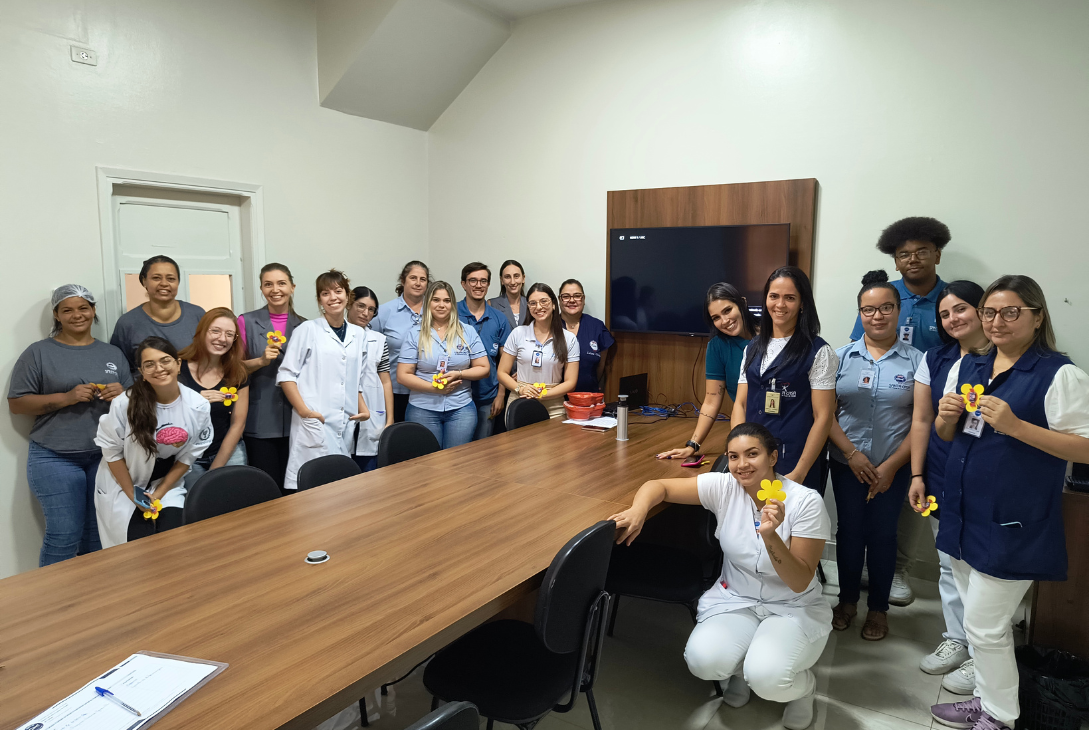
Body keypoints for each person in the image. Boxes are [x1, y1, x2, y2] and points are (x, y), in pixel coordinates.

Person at [929, 276, 1089, 730]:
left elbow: (1086, 447)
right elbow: (948, 436)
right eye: (990, 312)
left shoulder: (1060, 374)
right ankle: (984, 697)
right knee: (977, 622)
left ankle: (1000, 716)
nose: (997, 321)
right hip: (963, 516)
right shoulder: (971, 366)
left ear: (1037, 317)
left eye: (1011, 312)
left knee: (985, 626)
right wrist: (944, 418)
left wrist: (1017, 426)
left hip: (1013, 523)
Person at [610, 422, 831, 730]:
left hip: (791, 605)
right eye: (734, 456)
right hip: (737, 597)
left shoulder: (805, 502)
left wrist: (771, 537)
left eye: (752, 454)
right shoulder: (725, 486)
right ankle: (741, 673)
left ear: (773, 457)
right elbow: (657, 486)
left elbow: (799, 581)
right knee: (704, 661)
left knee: (768, 678)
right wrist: (638, 510)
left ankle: (804, 689)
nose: (742, 465)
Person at [850, 217, 952, 606]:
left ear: (937, 254)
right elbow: (857, 348)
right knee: (869, 492)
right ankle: (865, 565)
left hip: (939, 412)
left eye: (921, 252)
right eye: (903, 254)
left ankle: (897, 570)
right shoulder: (882, 295)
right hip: (885, 406)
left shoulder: (949, 300)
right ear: (895, 261)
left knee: (915, 487)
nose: (913, 260)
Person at [827, 271, 923, 641]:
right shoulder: (839, 357)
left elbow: (921, 421)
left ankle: (878, 610)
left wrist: (890, 467)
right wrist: (852, 454)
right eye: (869, 309)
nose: (877, 315)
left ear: (898, 312)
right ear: (860, 314)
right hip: (847, 463)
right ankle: (848, 601)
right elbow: (826, 415)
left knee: (884, 535)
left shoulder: (917, 362)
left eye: (886, 308)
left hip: (894, 467)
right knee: (849, 532)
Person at [8, 285, 131, 566]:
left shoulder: (111, 353)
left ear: (93, 311)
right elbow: (17, 404)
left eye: (83, 308)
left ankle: (91, 602)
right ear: (56, 315)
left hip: (105, 458)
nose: (77, 315)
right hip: (55, 456)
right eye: (68, 310)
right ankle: (52, 606)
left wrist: (123, 394)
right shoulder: (39, 353)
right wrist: (66, 397)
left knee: (98, 536)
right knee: (64, 536)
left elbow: (135, 405)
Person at [908, 280, 988, 692]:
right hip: (940, 475)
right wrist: (917, 474)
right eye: (945, 313)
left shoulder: (1004, 357)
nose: (953, 318)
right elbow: (921, 420)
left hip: (986, 479)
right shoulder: (934, 359)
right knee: (948, 562)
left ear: (982, 309)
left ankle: (984, 652)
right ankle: (956, 640)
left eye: (961, 309)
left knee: (986, 569)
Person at [93, 337, 213, 547]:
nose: (159, 368)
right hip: (123, 485)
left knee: (175, 541)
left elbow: (187, 458)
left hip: (165, 483)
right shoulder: (125, 404)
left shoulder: (198, 406)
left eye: (165, 360)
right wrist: (134, 496)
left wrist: (159, 492)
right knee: (135, 549)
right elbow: (112, 453)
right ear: (142, 371)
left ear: (178, 364)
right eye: (149, 364)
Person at [731, 266, 836, 490]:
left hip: (794, 459)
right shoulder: (752, 348)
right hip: (752, 460)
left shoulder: (818, 351)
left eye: (790, 298)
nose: (780, 305)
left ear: (802, 303)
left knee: (790, 523)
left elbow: (823, 416)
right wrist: (738, 454)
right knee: (754, 522)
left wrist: (800, 471)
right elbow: (740, 403)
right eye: (774, 296)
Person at [277, 270, 371, 491]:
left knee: (341, 489)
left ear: (348, 296)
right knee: (312, 490)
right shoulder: (307, 330)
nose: (333, 297)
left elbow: (355, 379)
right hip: (314, 421)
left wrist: (364, 409)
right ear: (320, 300)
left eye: (338, 291)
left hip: (345, 421)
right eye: (325, 293)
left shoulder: (359, 334)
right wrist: (305, 412)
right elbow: (286, 376)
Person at [658, 282, 755, 460]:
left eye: (727, 310)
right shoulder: (717, 347)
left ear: (742, 303)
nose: (725, 321)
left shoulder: (772, 336)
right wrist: (692, 445)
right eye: (716, 318)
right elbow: (711, 401)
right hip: (747, 431)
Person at [398, 281, 490, 449]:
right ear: (428, 303)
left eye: (447, 301)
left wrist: (459, 374)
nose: (441, 305)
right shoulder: (415, 333)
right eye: (436, 300)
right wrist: (432, 388)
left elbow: (484, 368)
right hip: (422, 408)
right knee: (428, 463)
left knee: (456, 462)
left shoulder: (467, 331)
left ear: (452, 304)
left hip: (460, 408)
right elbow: (403, 374)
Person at [238, 263, 305, 490]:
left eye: (281, 283)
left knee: (295, 487)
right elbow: (233, 370)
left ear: (292, 287)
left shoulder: (306, 326)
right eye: (268, 284)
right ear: (261, 289)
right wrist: (260, 361)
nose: (275, 289)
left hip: (297, 418)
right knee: (266, 487)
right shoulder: (245, 322)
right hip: (260, 419)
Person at [178, 308, 250, 491]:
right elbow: (164, 416)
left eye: (229, 334)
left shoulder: (237, 372)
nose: (222, 339)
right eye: (215, 331)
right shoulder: (177, 366)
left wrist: (215, 471)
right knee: (196, 511)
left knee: (233, 507)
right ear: (202, 332)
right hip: (186, 455)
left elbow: (238, 424)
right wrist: (195, 402)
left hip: (227, 450)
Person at [497, 283, 580, 419]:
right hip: (520, 400)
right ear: (528, 307)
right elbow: (502, 372)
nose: (539, 307)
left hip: (554, 405)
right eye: (533, 303)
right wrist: (520, 389)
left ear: (553, 304)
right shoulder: (518, 333)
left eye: (544, 301)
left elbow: (570, 382)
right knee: (519, 440)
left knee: (555, 441)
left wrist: (542, 394)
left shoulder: (569, 339)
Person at [110, 255, 206, 373]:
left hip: (193, 390)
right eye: (156, 278)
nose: (164, 283)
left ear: (178, 282)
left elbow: (210, 359)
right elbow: (120, 368)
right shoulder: (127, 323)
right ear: (144, 281)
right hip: (144, 390)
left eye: (171, 279)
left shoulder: (197, 315)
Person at [457, 263, 512, 440]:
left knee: (483, 450)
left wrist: (501, 394)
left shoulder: (499, 318)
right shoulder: (451, 313)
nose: (478, 285)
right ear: (463, 284)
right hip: (456, 396)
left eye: (483, 281)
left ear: (488, 285)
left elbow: (505, 359)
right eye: (473, 280)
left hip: (488, 396)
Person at [374, 261, 430, 422]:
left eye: (423, 279)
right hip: (393, 391)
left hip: (428, 391)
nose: (418, 283)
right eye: (413, 278)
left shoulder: (435, 311)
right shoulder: (384, 312)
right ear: (403, 280)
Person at [348, 286, 394, 471]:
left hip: (372, 412)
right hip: (344, 410)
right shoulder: (333, 336)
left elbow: (385, 380)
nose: (365, 313)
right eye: (360, 306)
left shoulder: (379, 340)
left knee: (370, 472)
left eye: (371, 309)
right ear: (349, 305)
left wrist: (390, 419)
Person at [558, 279, 615, 394]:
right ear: (559, 300)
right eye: (566, 296)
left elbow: (600, 366)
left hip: (588, 398)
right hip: (555, 400)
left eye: (577, 296)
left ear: (583, 299)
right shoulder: (550, 326)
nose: (572, 300)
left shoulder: (596, 326)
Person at [489, 259, 527, 330]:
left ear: (523, 278)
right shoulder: (492, 305)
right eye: (507, 277)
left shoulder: (531, 304)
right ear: (502, 280)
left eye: (516, 276)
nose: (512, 282)